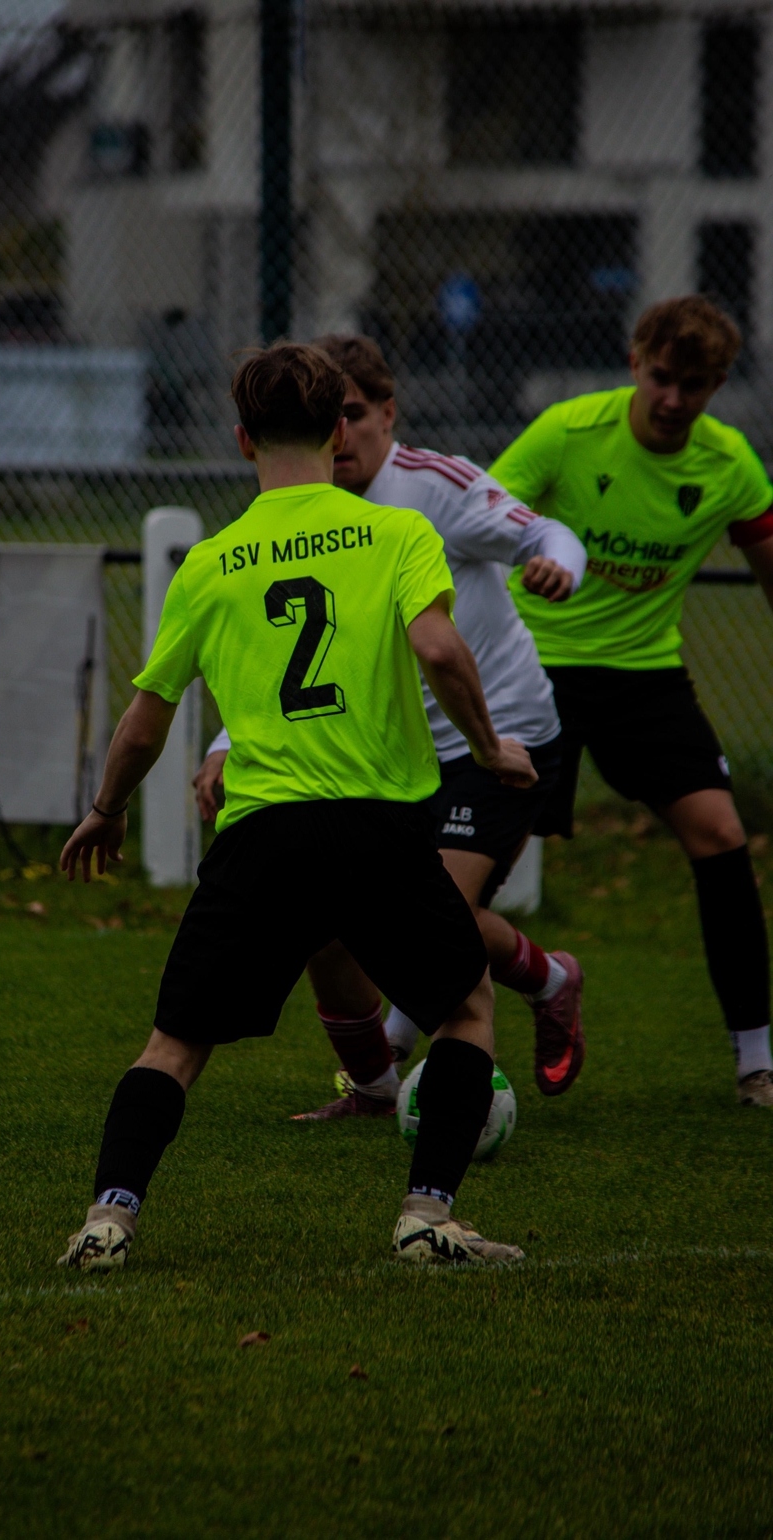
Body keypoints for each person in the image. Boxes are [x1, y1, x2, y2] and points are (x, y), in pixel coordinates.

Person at [57, 341, 536, 1273]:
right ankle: (428, 1217)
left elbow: (147, 718)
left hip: (263, 830)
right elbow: (440, 650)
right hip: (376, 824)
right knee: (466, 1008)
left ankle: (108, 1219)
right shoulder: (395, 534)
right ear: (337, 432)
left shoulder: (211, 561)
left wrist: (107, 808)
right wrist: (488, 750)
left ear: (242, 439)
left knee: (175, 1043)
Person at [194, 333, 589, 1116]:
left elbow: (545, 532)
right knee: (327, 924)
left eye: (350, 412)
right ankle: (376, 1089)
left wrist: (559, 565)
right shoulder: (299, 512)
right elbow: (283, 651)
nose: (337, 432)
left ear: (385, 414)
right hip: (384, 752)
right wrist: (224, 743)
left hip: (497, 737)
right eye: (326, 414)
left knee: (435, 914)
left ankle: (547, 982)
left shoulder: (433, 488)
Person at [490, 294, 773, 1107]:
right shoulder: (568, 431)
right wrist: (529, 549)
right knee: (479, 859)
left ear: (718, 384)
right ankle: (399, 1044)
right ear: (634, 364)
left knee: (721, 835)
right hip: (535, 668)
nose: (674, 399)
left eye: (695, 385)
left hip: (645, 677)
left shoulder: (729, 465)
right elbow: (476, 521)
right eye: (662, 378)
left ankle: (756, 1061)